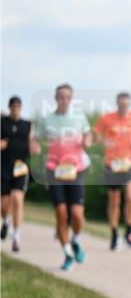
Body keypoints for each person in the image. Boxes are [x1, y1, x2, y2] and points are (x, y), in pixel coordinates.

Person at [30, 84, 92, 271]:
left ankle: (75, 241)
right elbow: (36, 139)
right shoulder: (47, 120)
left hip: (76, 169)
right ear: (56, 98)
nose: (64, 100)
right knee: (61, 213)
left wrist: (87, 141)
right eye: (61, 97)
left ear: (71, 99)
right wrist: (35, 147)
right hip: (54, 170)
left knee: (77, 214)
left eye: (67, 97)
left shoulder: (79, 117)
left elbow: (88, 134)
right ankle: (67, 254)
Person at [94, 92, 131, 250]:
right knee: (114, 200)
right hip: (113, 164)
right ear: (117, 104)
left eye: (127, 105)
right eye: (121, 105)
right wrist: (104, 140)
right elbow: (95, 135)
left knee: (130, 195)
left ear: (129, 105)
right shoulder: (106, 118)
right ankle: (114, 233)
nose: (124, 108)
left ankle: (129, 230)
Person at [1, 96, 32, 253]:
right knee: (4, 204)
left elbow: (34, 143)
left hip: (20, 168)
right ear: (9, 108)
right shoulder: (2, 123)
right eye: (13, 106)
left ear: (21, 108)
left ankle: (16, 237)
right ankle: (6, 220)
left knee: (18, 199)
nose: (15, 109)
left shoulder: (27, 125)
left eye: (18, 106)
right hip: (4, 167)